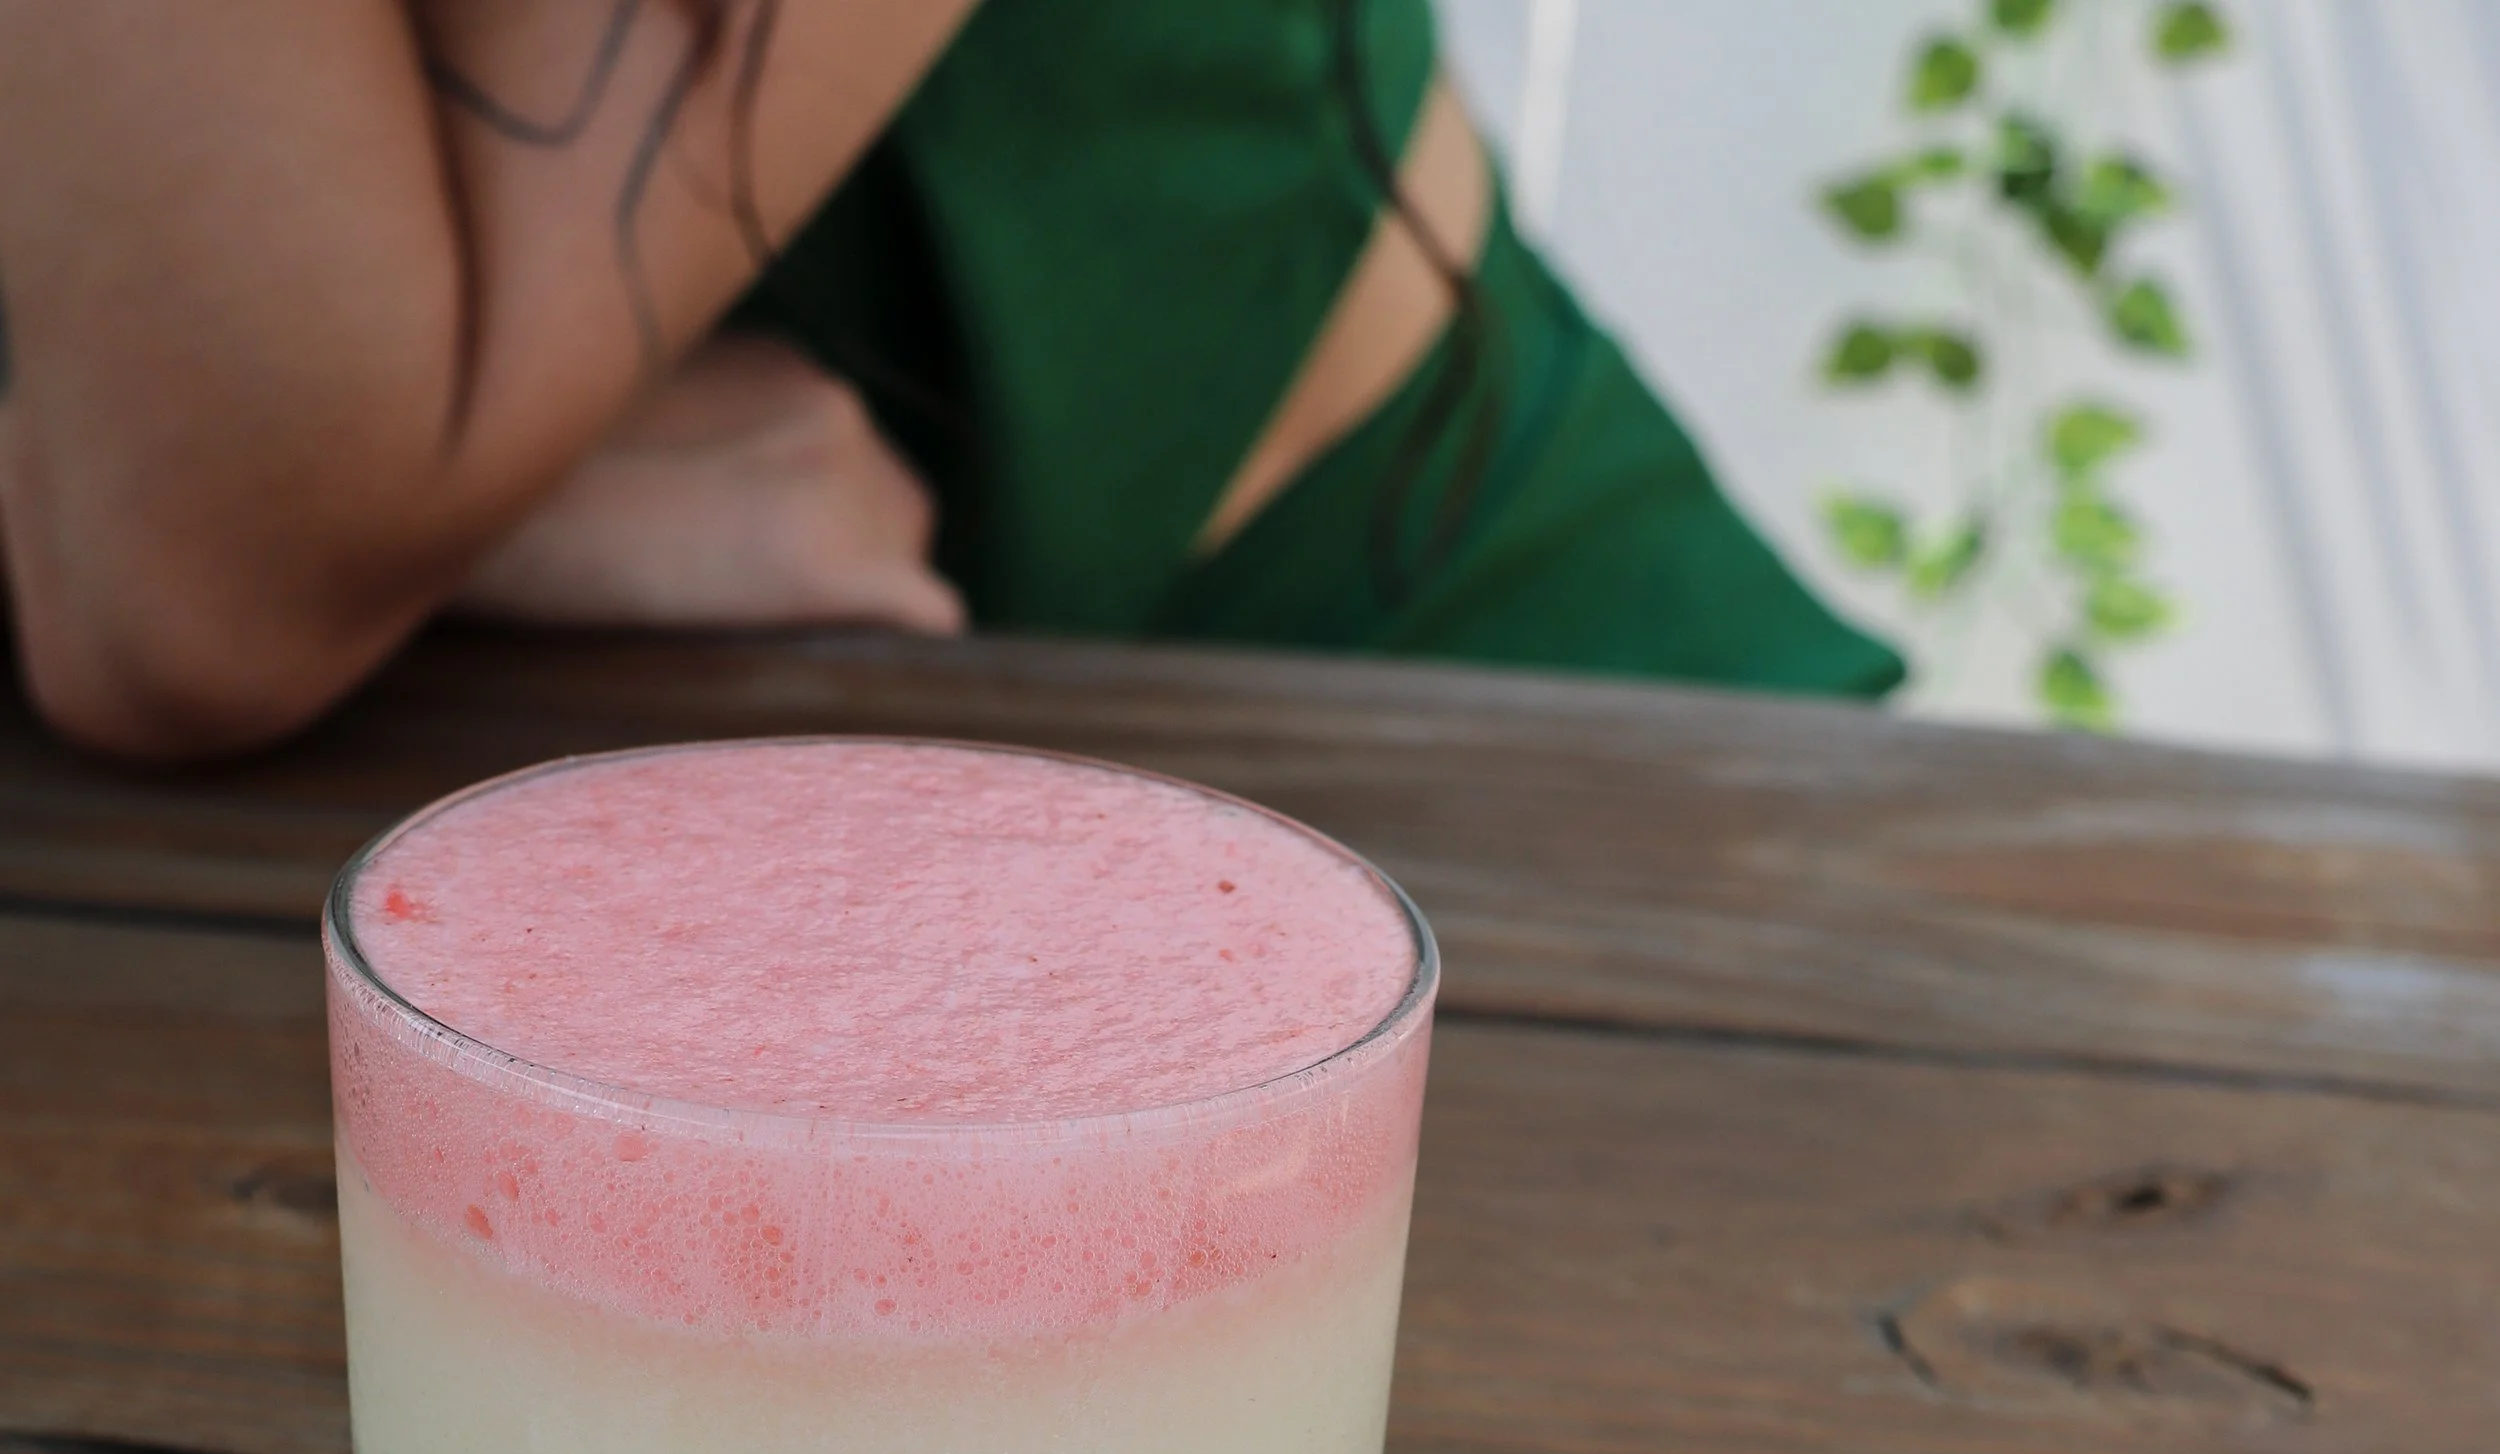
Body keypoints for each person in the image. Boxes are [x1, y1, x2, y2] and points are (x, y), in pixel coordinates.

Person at [0, 0, 1895, 761]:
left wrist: (192, 470)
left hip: (1407, 747)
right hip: (490, 826)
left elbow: (196, 565)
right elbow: (198, 493)